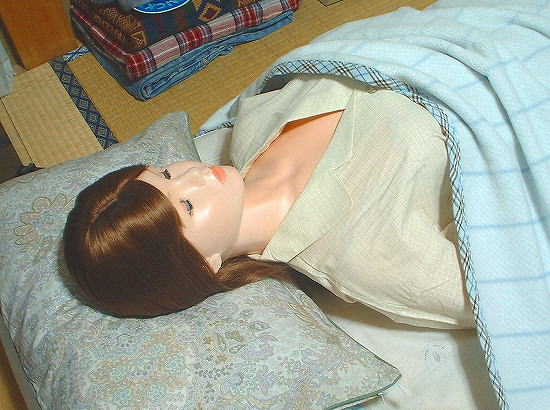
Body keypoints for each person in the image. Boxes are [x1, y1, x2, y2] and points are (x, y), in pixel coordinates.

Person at [64, 75, 474, 328]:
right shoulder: (367, 257)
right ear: (205, 262)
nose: (196, 175)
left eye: (166, 174)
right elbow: (495, 293)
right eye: (186, 206)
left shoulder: (252, 122)